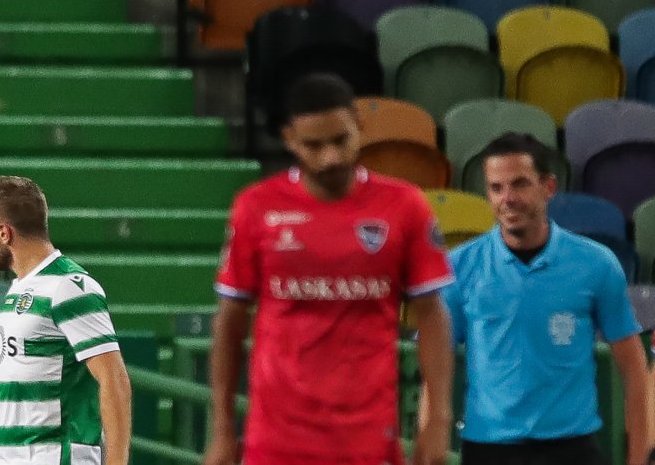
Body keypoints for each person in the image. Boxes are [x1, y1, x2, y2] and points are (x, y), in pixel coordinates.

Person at [205, 73, 455, 465]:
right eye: (314, 145)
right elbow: (230, 320)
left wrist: (438, 419)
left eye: (340, 140)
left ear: (360, 125)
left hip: (368, 438)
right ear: (289, 139)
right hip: (277, 439)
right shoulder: (256, 208)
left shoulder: (404, 206)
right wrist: (221, 429)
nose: (331, 157)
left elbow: (432, 314)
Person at [442, 133, 651, 465]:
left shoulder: (596, 264)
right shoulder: (460, 266)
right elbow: (434, 364)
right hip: (488, 450)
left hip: (571, 450)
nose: (507, 198)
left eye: (520, 184)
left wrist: (638, 457)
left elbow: (633, 367)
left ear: (548, 187)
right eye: (496, 188)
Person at [0, 175, 132, 465]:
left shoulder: (69, 286)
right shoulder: (20, 290)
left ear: (3, 232)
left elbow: (114, 380)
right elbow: (20, 395)